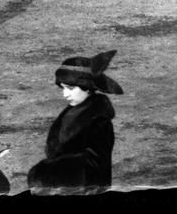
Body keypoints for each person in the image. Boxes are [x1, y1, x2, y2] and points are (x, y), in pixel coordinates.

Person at [27, 52, 121, 191]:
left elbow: (95, 166)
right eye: (63, 88)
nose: (65, 94)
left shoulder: (99, 121)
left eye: (70, 88)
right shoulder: (69, 114)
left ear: (88, 88)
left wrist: (46, 173)